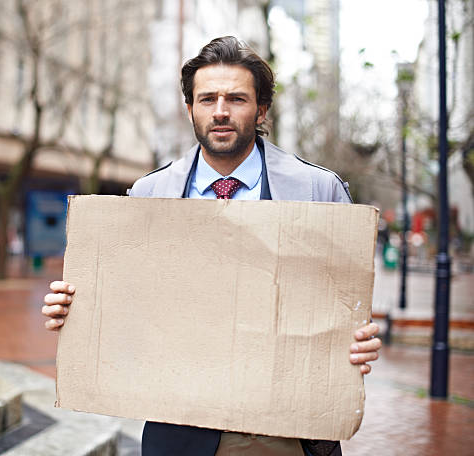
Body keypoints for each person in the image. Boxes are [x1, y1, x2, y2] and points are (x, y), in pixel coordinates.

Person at [42, 36, 381, 456]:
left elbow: (344, 308)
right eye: (207, 99)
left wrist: (358, 339)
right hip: (180, 430)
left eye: (236, 98)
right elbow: (126, 307)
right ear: (190, 109)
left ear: (260, 109)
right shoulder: (148, 195)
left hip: (284, 430)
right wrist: (76, 312)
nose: (220, 111)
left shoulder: (318, 190)